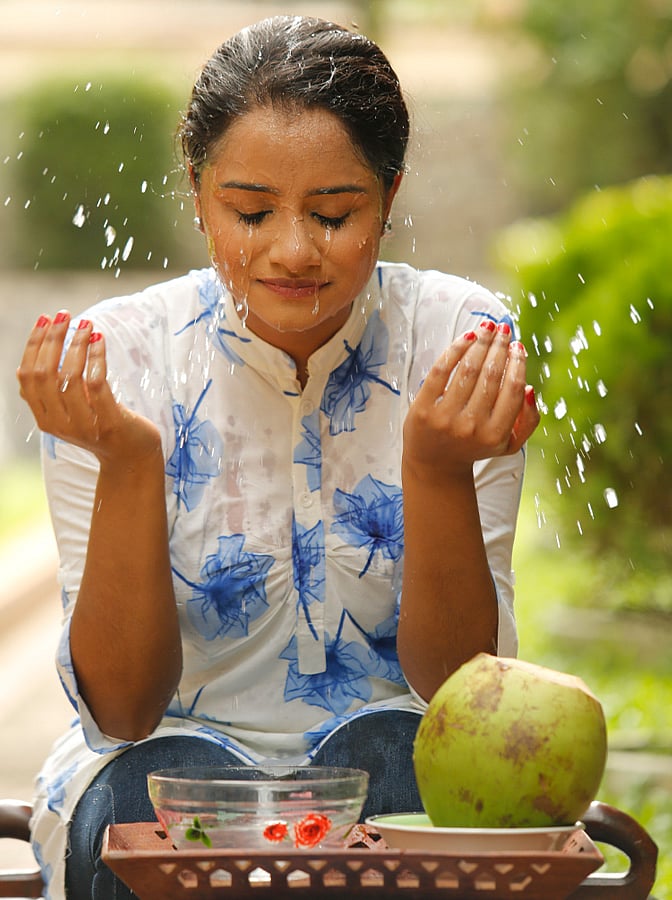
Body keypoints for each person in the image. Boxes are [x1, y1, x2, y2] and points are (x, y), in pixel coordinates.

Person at [17, 14, 539, 899]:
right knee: (147, 794)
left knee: (397, 755)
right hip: (159, 767)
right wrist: (132, 463)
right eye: (251, 212)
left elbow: (458, 688)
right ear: (197, 191)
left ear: (390, 195)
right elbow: (123, 711)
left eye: (334, 214)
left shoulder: (456, 341)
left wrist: (436, 470)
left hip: (395, 764)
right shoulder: (117, 359)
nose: (294, 250)